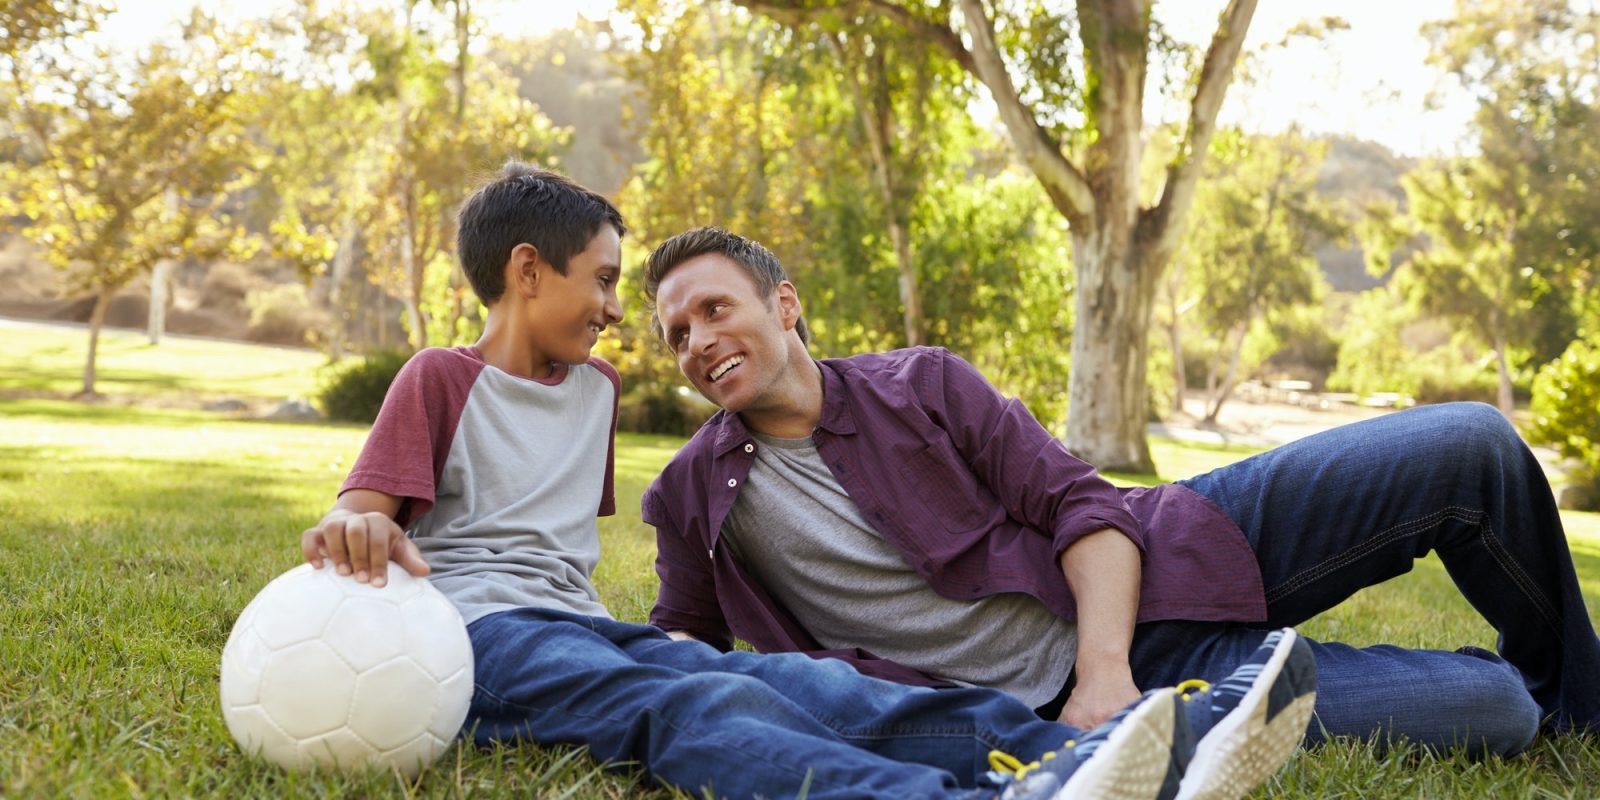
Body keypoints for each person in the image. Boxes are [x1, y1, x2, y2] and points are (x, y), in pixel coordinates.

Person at [293, 163, 1314, 800]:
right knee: (688, 715)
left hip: (576, 627)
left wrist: (673, 641)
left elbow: (580, 565)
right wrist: (354, 523)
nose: (616, 310)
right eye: (603, 279)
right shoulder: (439, 376)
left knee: (797, 683)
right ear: (526, 272)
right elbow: (361, 507)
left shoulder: (593, 394)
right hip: (473, 638)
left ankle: (1085, 750)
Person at [641, 226, 1600, 760]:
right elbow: (683, 642)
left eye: (713, 308)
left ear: (785, 304)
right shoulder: (694, 493)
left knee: (1468, 441)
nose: (697, 342)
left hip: (1172, 552)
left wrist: (1104, 669)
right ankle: (1518, 700)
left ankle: (1585, 703)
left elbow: (1084, 510)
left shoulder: (920, 385)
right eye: (676, 334)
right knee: (1495, 711)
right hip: (1090, 706)